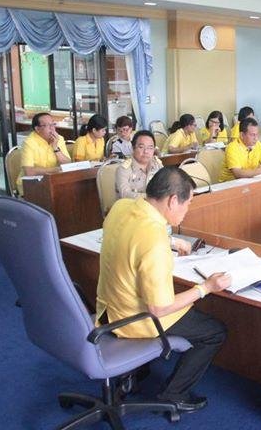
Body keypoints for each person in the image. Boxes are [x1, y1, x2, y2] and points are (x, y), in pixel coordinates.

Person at [97, 166, 230, 411]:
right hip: (135, 318)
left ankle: (132, 373)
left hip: (108, 307)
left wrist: (172, 241)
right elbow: (159, 309)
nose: (187, 210)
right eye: (187, 204)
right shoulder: (153, 240)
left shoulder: (121, 207)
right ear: (172, 200)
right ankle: (174, 395)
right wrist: (206, 287)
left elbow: (131, 231)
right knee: (214, 332)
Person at [17, 112, 71, 195]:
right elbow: (29, 172)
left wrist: (55, 148)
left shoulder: (59, 139)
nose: (52, 128)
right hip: (32, 184)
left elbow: (67, 164)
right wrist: (56, 170)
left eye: (53, 124)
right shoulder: (29, 143)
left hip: (53, 181)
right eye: (47, 125)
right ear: (37, 129)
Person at [219, 117, 261, 182]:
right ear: (242, 135)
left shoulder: (257, 144)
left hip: (250, 180)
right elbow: (238, 173)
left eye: (257, 134)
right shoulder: (232, 147)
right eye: (252, 135)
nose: (256, 138)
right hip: (230, 184)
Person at [115, 130, 164, 199]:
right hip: (132, 205)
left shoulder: (157, 165)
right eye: (141, 147)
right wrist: (152, 198)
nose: (146, 151)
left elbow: (167, 186)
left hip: (155, 204)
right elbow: (125, 194)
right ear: (133, 148)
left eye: (150, 148)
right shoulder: (123, 169)